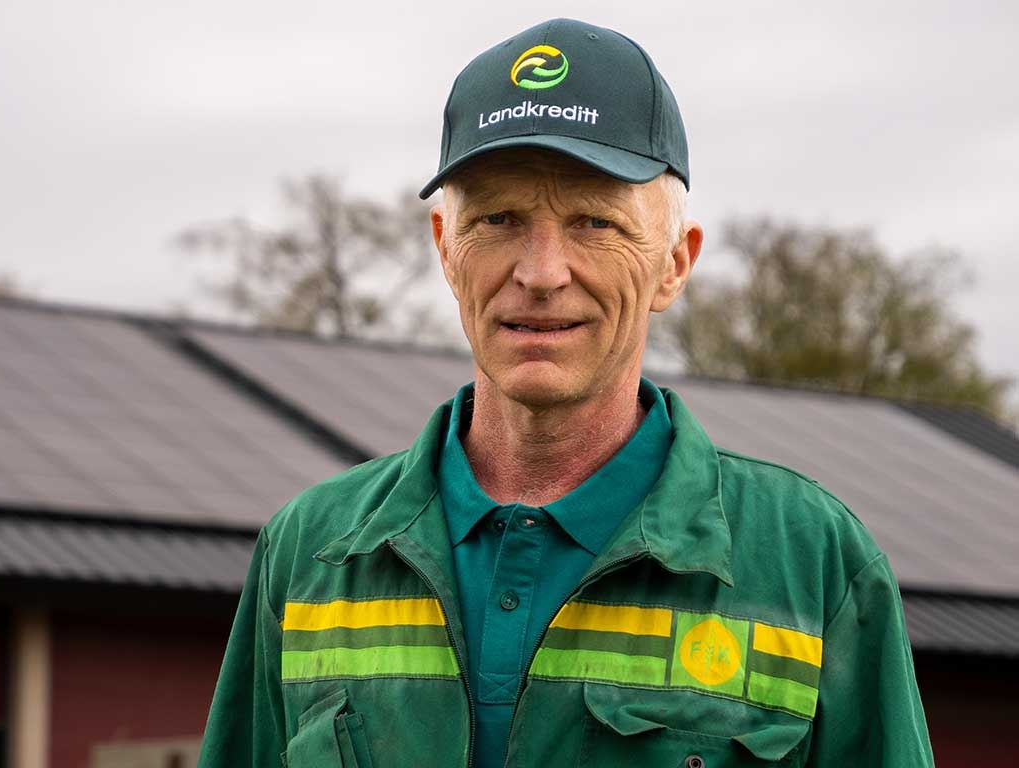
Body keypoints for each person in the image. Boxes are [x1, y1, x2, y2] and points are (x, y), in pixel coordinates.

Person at [199, 17, 933, 768]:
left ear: (675, 264)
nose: (542, 273)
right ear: (445, 250)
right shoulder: (309, 554)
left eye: (593, 221)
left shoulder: (812, 563)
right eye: (499, 218)